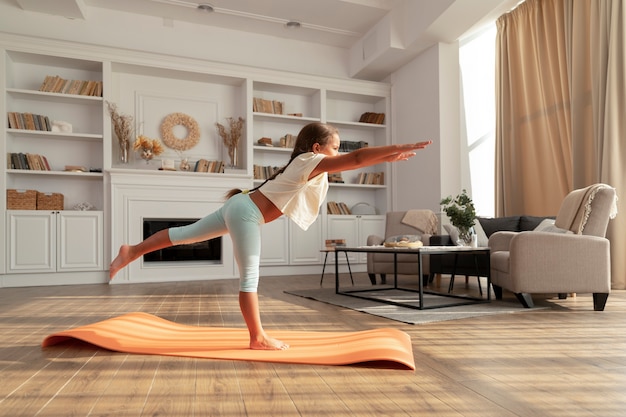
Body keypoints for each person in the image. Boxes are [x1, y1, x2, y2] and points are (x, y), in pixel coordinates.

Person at [110, 122, 431, 350]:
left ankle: (132, 250)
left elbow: (355, 160)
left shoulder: (306, 163)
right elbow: (359, 158)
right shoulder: (312, 161)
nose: (337, 155)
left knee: (184, 235)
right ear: (318, 149)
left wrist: (386, 156)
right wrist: (396, 150)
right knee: (249, 278)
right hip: (246, 211)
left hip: (241, 204)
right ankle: (257, 337)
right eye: (335, 148)